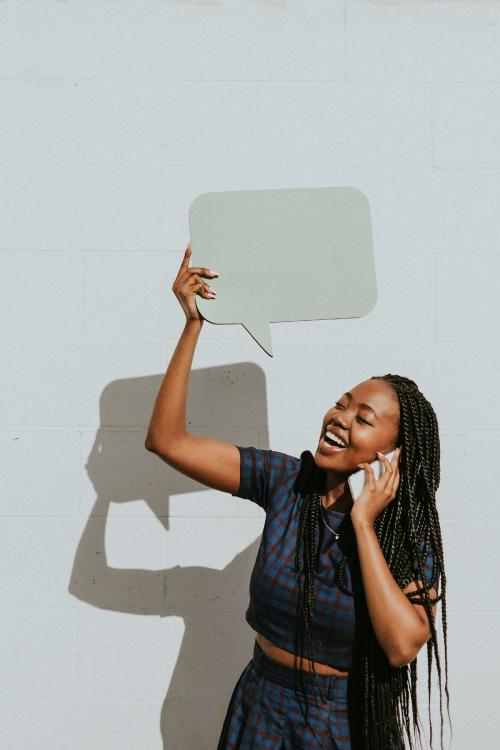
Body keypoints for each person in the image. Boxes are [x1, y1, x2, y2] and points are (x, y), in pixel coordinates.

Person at [145, 243, 449, 750]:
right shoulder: (287, 481)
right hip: (260, 704)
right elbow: (167, 441)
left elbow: (401, 647)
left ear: (394, 453)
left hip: (342, 722)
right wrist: (193, 326)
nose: (339, 418)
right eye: (341, 404)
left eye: (363, 419)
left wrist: (363, 525)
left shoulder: (407, 538)